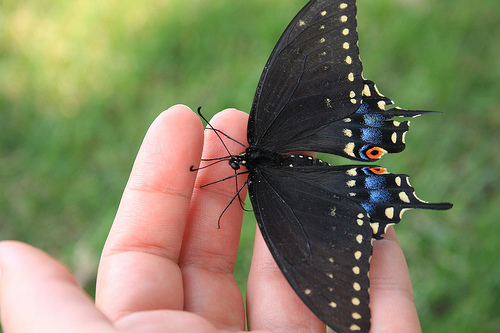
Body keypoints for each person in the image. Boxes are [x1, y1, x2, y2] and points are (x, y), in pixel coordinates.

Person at [0, 105, 422, 332]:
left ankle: (370, 184)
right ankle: (368, 185)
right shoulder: (253, 169)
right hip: (304, 168)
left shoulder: (247, 177)